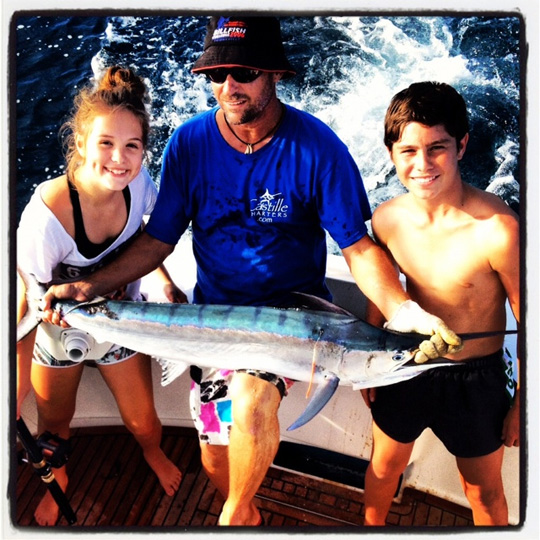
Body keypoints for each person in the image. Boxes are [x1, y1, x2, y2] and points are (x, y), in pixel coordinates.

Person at [41, 18, 462, 526]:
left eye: (241, 72)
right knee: (215, 457)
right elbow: (158, 240)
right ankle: (247, 510)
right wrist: (89, 287)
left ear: (273, 74)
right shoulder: (189, 144)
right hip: (212, 319)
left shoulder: (318, 148)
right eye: (215, 75)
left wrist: (403, 310)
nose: (227, 86)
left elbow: (357, 247)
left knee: (253, 399)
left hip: (295, 319)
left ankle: (235, 519)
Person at [17, 66, 186, 526]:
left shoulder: (139, 183)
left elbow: (148, 240)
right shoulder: (45, 215)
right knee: (54, 427)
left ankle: (152, 452)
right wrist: (13, 393)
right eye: (106, 143)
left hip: (119, 322)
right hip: (56, 335)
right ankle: (62, 477)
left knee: (145, 423)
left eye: (132, 146)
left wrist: (164, 280)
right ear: (80, 144)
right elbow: (27, 307)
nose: (120, 159)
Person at [361, 81, 520, 526]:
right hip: (407, 366)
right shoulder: (386, 219)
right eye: (408, 150)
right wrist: (372, 360)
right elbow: (383, 291)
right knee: (382, 468)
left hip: (477, 382)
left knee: (482, 491)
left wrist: (524, 402)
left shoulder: (499, 229)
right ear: (391, 153)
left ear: (463, 145)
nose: (423, 164)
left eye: (438, 147)